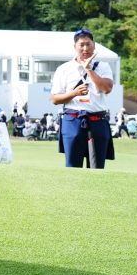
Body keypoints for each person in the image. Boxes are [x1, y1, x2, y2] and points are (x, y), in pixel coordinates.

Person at [50, 27, 115, 169]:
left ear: (94, 46)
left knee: (97, 167)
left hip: (98, 120)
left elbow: (107, 88)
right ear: (75, 47)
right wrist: (73, 93)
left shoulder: (103, 66)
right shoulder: (64, 69)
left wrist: (88, 69)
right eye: (81, 45)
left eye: (88, 44)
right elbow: (55, 99)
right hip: (73, 120)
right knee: (72, 166)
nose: (85, 48)